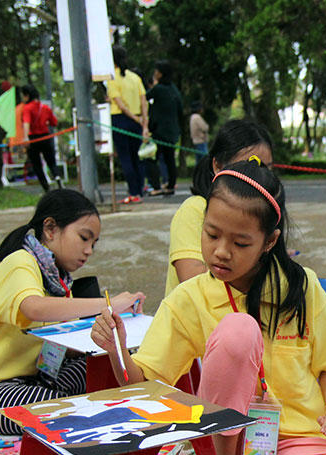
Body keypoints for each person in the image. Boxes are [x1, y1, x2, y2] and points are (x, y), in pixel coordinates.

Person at [91, 160, 326, 455]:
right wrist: (116, 348)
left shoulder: (302, 286)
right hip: (228, 445)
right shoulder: (189, 298)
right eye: (211, 234)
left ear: (269, 241)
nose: (221, 251)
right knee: (239, 329)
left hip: (297, 442)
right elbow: (142, 383)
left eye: (241, 242)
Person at [0, 190, 144, 435]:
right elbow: (33, 308)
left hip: (32, 378)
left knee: (100, 368)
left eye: (93, 244)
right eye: (84, 238)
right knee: (68, 412)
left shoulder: (59, 283)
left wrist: (111, 344)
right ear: (50, 229)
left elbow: (53, 350)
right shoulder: (20, 263)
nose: (88, 250)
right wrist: (108, 304)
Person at [165, 119, 273, 296]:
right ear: (217, 166)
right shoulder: (195, 210)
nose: (257, 175)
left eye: (266, 169)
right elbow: (190, 277)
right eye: (213, 235)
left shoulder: (263, 212)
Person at [107, 46, 149, 204]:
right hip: (136, 121)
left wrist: (135, 119)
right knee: (138, 157)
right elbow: (144, 101)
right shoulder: (135, 77)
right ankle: (140, 190)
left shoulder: (112, 79)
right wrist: (143, 122)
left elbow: (121, 106)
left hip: (120, 120)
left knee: (125, 158)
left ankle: (133, 192)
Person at [146, 60, 184, 196]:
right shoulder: (174, 90)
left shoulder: (158, 89)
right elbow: (180, 110)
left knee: (151, 159)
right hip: (172, 131)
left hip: (159, 131)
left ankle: (156, 186)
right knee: (170, 159)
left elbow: (145, 97)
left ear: (160, 73)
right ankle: (170, 185)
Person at [20, 84, 62, 192]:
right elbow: (54, 122)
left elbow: (26, 123)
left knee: (37, 165)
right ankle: (57, 177)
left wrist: (25, 138)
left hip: (33, 138)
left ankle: (46, 187)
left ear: (27, 95)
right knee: (51, 161)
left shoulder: (27, 108)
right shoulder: (45, 107)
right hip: (45, 137)